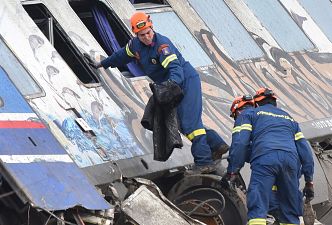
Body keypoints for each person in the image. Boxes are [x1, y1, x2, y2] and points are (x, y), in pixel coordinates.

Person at [88, 12, 222, 173]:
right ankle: (216, 145)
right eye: (142, 35)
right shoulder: (135, 46)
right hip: (169, 86)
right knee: (184, 124)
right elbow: (121, 56)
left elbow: (176, 69)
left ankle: (204, 161)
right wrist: (102, 64)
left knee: (191, 125)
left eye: (148, 33)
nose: (146, 37)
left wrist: (170, 84)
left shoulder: (162, 46)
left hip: (185, 83)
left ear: (152, 28)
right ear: (136, 34)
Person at [222, 87, 314, 225]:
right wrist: (309, 181)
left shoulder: (250, 115)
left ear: (257, 103)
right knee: (289, 214)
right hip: (291, 162)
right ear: (275, 102)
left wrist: (233, 171)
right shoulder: (289, 119)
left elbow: (240, 144)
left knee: (258, 208)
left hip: (265, 159)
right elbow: (305, 151)